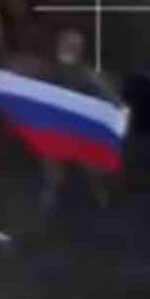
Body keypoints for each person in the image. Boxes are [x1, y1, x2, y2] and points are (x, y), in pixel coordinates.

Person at [39, 29, 124, 212]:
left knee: (92, 167)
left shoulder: (87, 73)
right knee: (53, 167)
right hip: (57, 127)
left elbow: (110, 94)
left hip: (81, 127)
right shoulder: (49, 70)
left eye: (76, 45)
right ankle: (50, 194)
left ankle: (100, 193)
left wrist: (117, 108)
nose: (71, 48)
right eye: (68, 43)